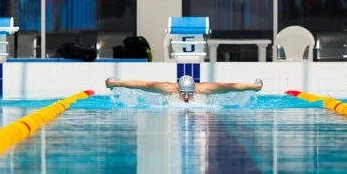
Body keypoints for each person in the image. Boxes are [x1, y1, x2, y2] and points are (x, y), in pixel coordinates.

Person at [105, 75, 263, 103]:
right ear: (177, 89)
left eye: (189, 93)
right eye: (183, 93)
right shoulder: (168, 89)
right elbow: (140, 84)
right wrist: (114, 83)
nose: (186, 97)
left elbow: (231, 87)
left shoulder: (204, 89)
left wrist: (255, 87)